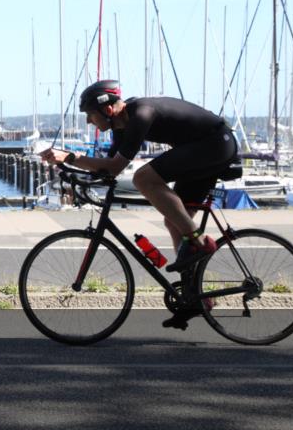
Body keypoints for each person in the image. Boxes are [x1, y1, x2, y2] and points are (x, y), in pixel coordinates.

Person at [39, 81, 238, 323]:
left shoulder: (140, 115)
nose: (89, 122)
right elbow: (108, 168)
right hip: (200, 148)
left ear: (108, 110)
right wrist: (70, 168)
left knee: (143, 178)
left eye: (90, 115)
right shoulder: (121, 127)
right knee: (174, 222)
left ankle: (200, 241)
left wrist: (70, 156)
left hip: (215, 144)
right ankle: (196, 298)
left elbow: (116, 167)